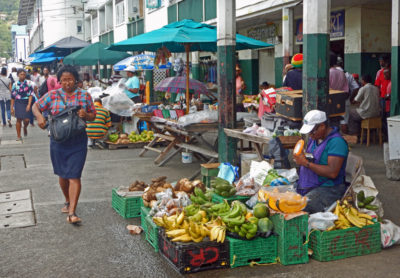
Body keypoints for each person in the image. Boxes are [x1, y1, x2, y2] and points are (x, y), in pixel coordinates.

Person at [32, 65, 96, 224]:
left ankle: (72, 212)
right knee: (62, 174)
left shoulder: (84, 95)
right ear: (59, 81)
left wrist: (86, 114)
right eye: (63, 80)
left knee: (74, 175)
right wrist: (40, 117)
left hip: (78, 140)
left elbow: (93, 116)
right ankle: (67, 200)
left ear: (76, 80)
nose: (67, 83)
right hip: (58, 140)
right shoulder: (52, 95)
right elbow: (36, 106)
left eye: (70, 79)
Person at [293, 110, 349, 214]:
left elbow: (332, 172)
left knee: (300, 208)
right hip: (310, 184)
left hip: (329, 188)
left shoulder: (337, 143)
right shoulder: (315, 139)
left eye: (312, 131)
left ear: (322, 126)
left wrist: (306, 163)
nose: (310, 135)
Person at [10, 69, 34, 141]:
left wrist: (29, 104)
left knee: (27, 120)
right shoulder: (15, 84)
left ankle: (25, 127)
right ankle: (18, 136)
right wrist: (11, 107)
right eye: (21, 74)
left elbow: (30, 95)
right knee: (18, 119)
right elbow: (13, 97)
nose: (22, 76)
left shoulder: (29, 83)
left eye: (24, 74)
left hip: (26, 102)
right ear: (18, 75)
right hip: (18, 102)